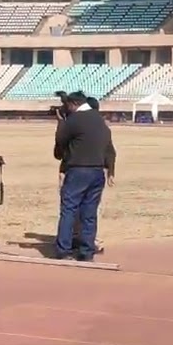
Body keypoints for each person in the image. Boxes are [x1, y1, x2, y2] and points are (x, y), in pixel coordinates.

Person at [53, 91, 116, 262]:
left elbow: (60, 144)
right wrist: (110, 169)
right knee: (89, 213)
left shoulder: (74, 120)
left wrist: (60, 123)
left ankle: (64, 250)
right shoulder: (100, 120)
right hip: (97, 171)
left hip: (78, 169)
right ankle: (86, 251)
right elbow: (109, 147)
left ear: (73, 104)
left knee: (69, 210)